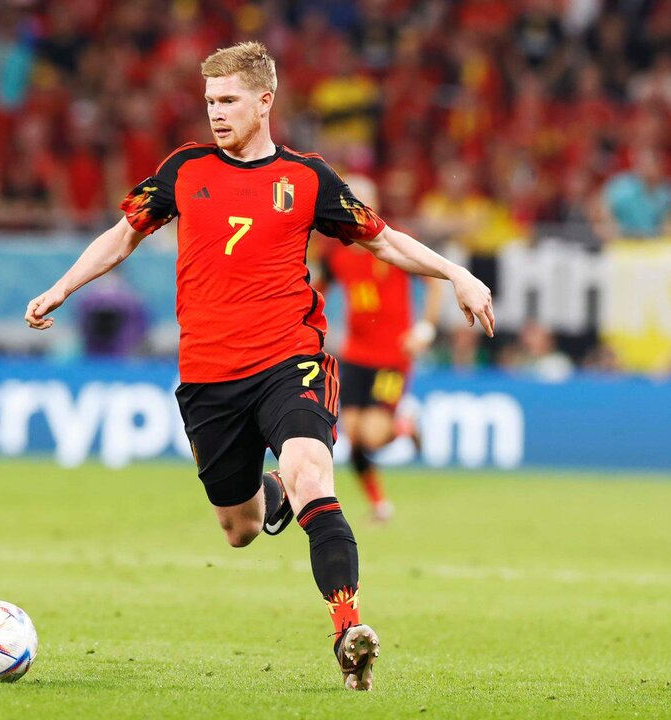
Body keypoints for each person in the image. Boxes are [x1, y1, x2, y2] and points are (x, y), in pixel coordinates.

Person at [24, 42, 494, 691]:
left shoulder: (307, 180)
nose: (216, 113)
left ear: (264, 100)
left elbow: (383, 239)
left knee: (311, 473)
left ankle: (347, 629)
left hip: (289, 360)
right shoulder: (184, 170)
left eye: (229, 101)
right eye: (210, 101)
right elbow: (124, 232)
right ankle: (266, 498)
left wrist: (456, 272)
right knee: (239, 529)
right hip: (209, 378)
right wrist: (62, 287)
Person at [317, 175, 442, 523]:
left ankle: (405, 427)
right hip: (355, 354)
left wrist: (425, 329)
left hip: (392, 355)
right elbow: (315, 293)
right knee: (352, 436)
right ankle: (379, 504)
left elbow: (434, 284)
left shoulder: (394, 241)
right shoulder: (335, 252)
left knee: (370, 435)